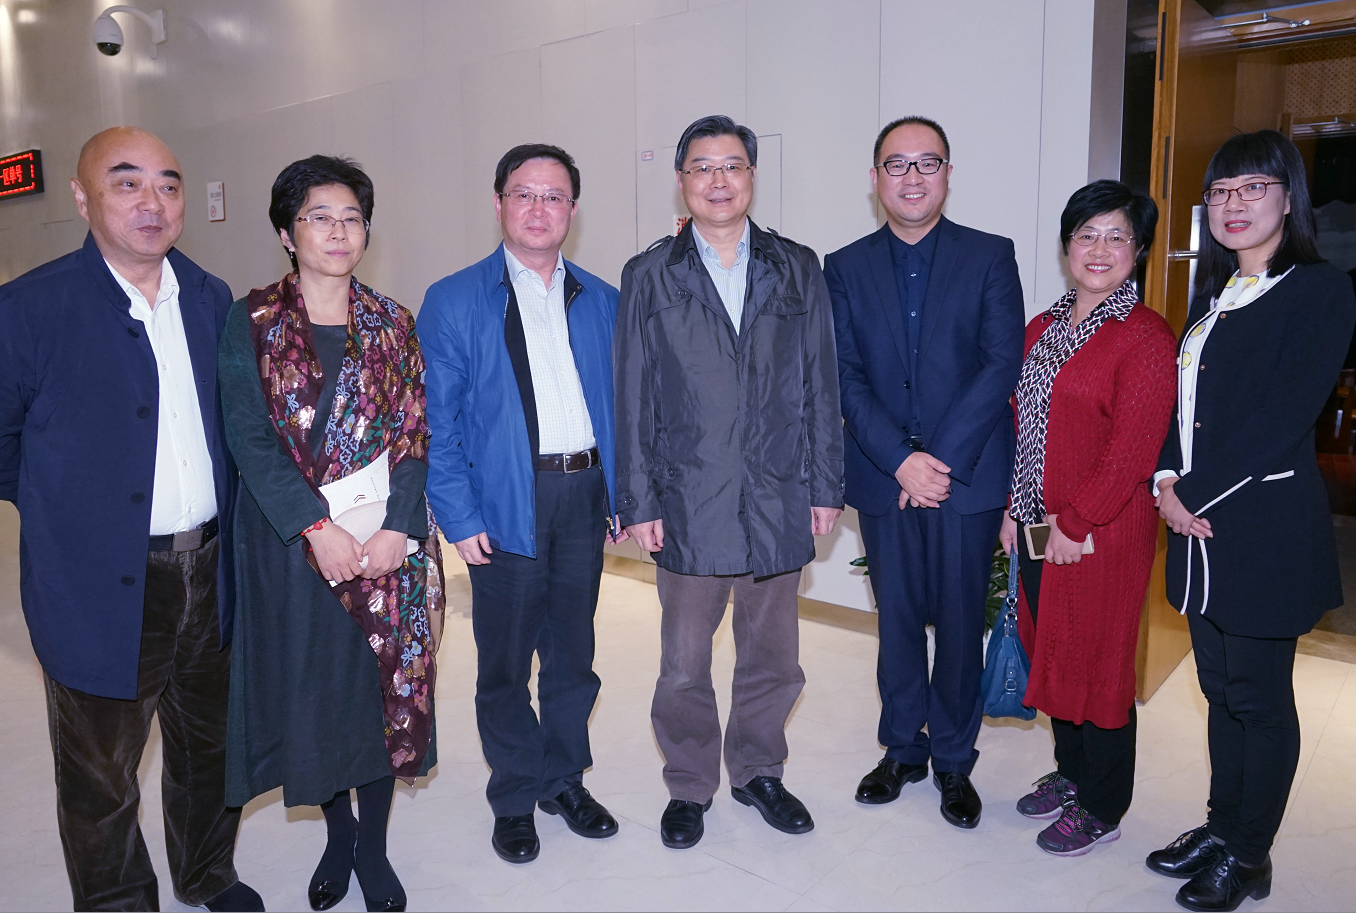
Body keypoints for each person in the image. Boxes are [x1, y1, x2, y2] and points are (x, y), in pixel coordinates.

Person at [0, 127, 263, 911]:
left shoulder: (211, 298)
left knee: (209, 746)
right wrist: (69, 517)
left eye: (168, 184)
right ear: (82, 198)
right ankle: (117, 900)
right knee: (102, 772)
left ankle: (207, 871)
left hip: (211, 570)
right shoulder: (29, 308)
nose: (153, 201)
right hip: (101, 584)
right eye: (126, 182)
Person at [219, 155, 442, 913]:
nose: (338, 231)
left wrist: (398, 531)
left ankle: (372, 846)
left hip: (384, 546)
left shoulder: (393, 322)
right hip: (294, 548)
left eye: (352, 218)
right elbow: (249, 438)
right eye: (319, 217)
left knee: (378, 696)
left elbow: (414, 434)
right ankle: (338, 833)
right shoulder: (251, 321)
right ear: (288, 233)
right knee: (315, 696)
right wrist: (317, 529)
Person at [614, 115, 844, 850]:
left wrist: (825, 485)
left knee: (773, 656)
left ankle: (758, 771)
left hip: (778, 494)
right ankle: (689, 784)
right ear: (681, 180)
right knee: (684, 665)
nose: (719, 181)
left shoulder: (796, 266)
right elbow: (632, 395)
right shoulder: (650, 274)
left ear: (751, 176)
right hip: (689, 500)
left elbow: (821, 382)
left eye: (733, 166)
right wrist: (638, 499)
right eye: (703, 168)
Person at [1148, 130, 1356, 912]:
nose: (1234, 204)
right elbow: (1184, 412)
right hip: (1201, 533)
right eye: (1221, 191)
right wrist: (1165, 476)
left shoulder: (1318, 290)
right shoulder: (1216, 295)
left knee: (1260, 700)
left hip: (1263, 532)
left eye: (1253, 187)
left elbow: (1281, 418)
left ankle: (1249, 854)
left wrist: (1190, 492)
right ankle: (1221, 825)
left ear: (1288, 198)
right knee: (1220, 689)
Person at [419, 144, 621, 865]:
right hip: (505, 499)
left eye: (554, 196)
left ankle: (563, 780)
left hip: (583, 494)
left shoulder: (602, 299)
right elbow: (437, 421)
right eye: (525, 194)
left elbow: (622, 406)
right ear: (500, 202)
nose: (540, 209)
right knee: (504, 664)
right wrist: (459, 513)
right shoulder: (454, 299)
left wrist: (621, 494)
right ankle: (513, 796)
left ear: (573, 209)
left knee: (573, 655)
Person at [824, 116, 1025, 829]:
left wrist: (936, 462)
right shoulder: (843, 266)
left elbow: (1001, 362)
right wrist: (901, 461)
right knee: (900, 621)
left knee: (962, 623)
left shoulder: (990, 256)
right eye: (896, 164)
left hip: (964, 478)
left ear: (947, 173)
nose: (912, 177)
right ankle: (902, 748)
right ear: (875, 178)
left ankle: (953, 759)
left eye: (927, 162)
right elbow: (844, 375)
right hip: (886, 477)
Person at [997, 180, 1177, 856]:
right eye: (1086, 235)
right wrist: (1016, 512)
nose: (1099, 249)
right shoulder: (1043, 327)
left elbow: (1132, 450)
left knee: (1099, 662)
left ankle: (1103, 803)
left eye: (1116, 236)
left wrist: (1076, 523)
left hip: (1103, 530)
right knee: (1056, 648)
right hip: (1039, 522)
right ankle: (1072, 773)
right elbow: (1022, 428)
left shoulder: (1145, 337)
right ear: (1067, 246)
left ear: (1139, 250)